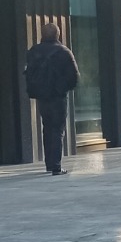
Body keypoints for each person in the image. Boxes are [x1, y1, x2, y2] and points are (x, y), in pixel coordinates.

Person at [23, 22, 80, 176]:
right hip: (58, 97)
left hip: (42, 97)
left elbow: (29, 74)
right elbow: (74, 77)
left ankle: (49, 163)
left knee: (47, 128)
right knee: (57, 130)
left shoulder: (33, 52)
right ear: (58, 34)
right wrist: (61, 88)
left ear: (42, 35)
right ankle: (56, 166)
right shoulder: (64, 52)